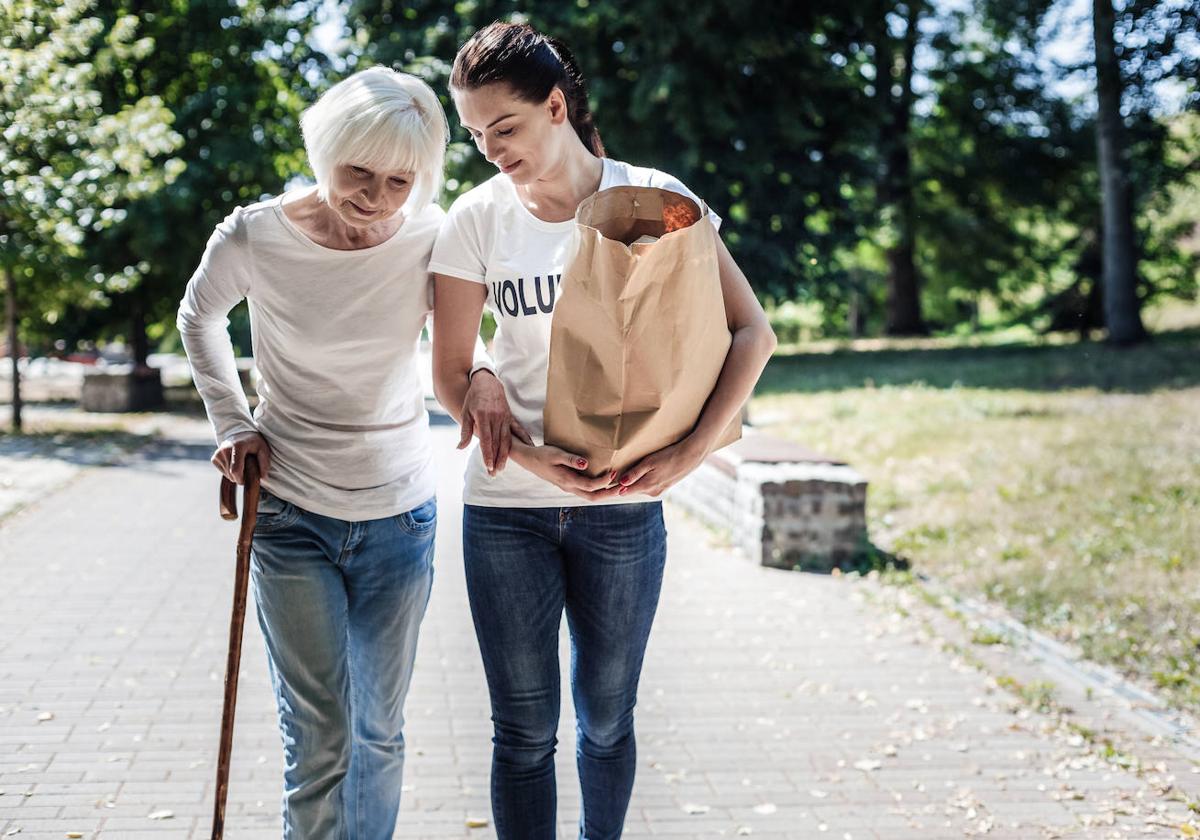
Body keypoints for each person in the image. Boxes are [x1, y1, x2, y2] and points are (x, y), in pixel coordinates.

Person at [429, 22, 778, 840]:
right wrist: (530, 457)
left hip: (624, 509)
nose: (490, 150)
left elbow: (752, 334)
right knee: (520, 734)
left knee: (607, 722)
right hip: (506, 509)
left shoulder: (650, 198)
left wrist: (687, 458)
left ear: (556, 106)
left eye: (504, 128)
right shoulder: (475, 220)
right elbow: (449, 370)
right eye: (476, 135)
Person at [178, 67, 460, 839]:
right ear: (324, 151)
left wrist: (491, 384)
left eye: (399, 181)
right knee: (321, 737)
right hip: (291, 513)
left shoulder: (434, 238)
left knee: (378, 731)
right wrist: (233, 423)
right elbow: (199, 316)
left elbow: (467, 343)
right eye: (357, 172)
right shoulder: (255, 235)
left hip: (400, 514)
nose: (375, 197)